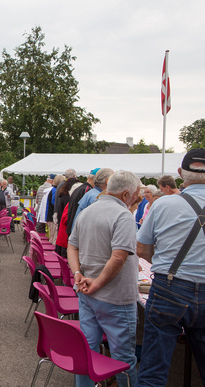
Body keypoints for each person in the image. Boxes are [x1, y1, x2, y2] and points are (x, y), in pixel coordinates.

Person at [136, 148, 205, 385]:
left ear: (180, 174)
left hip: (170, 287)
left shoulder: (164, 204)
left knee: (154, 371)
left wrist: (169, 266)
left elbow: (142, 250)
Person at [67, 170, 142, 387]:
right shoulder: (123, 215)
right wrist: (97, 282)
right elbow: (118, 258)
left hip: (87, 293)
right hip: (115, 298)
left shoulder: (88, 211)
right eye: (136, 194)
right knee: (124, 358)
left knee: (88, 350)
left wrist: (78, 274)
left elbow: (73, 246)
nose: (136, 198)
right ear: (126, 193)